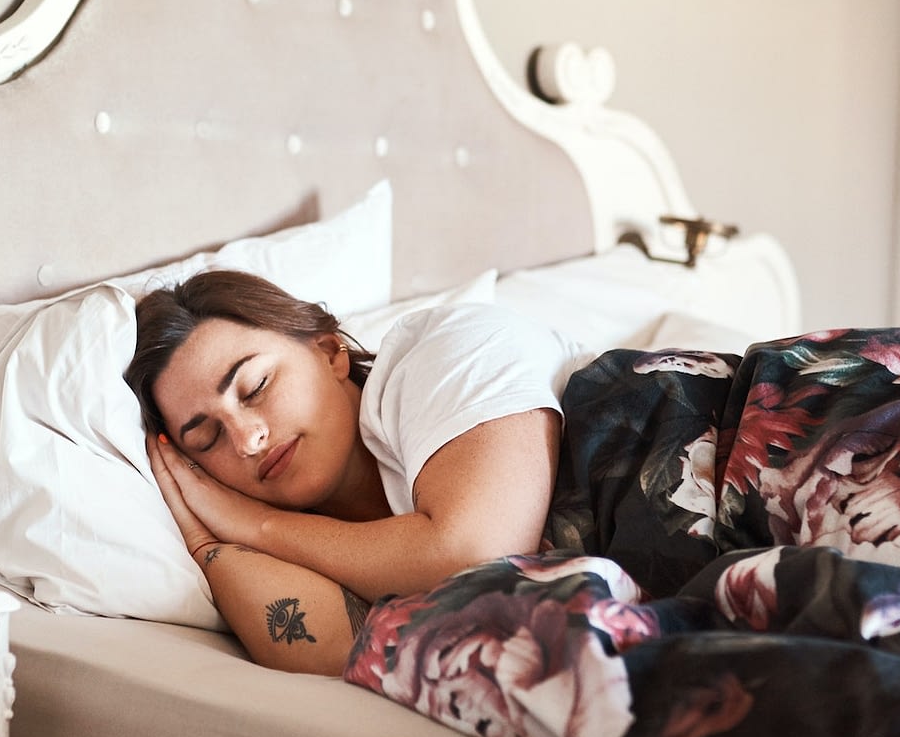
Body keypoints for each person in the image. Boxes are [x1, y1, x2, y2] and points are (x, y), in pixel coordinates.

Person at [125, 268, 580, 674]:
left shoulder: (448, 350)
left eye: (256, 387)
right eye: (207, 439)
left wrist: (254, 524)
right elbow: (336, 650)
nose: (247, 440)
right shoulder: (316, 539)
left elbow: (478, 561)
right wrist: (205, 540)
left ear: (328, 351)